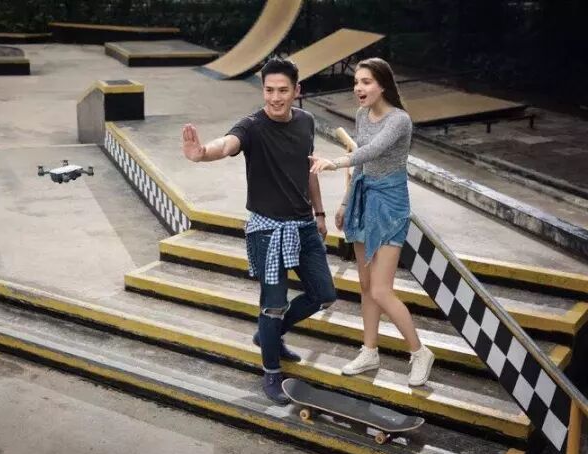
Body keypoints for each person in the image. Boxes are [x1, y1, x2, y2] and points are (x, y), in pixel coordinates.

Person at [181, 57, 337, 404]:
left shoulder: (306, 122)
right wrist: (202, 153)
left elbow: (309, 171)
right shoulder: (252, 126)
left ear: (297, 91)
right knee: (273, 305)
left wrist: (320, 213)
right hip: (267, 230)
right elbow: (228, 144)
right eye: (269, 90)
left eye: (283, 90)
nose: (275, 98)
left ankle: (269, 335)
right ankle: (271, 372)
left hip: (304, 225)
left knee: (324, 295)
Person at [309, 57, 434, 387]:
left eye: (365, 82)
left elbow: (372, 151)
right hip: (364, 200)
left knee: (380, 289)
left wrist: (334, 162)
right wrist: (345, 202)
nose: (358, 88)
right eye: (356, 82)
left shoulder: (399, 120)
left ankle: (420, 352)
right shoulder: (362, 115)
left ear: (383, 85)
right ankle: (369, 351)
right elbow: (362, 166)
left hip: (390, 205)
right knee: (365, 286)